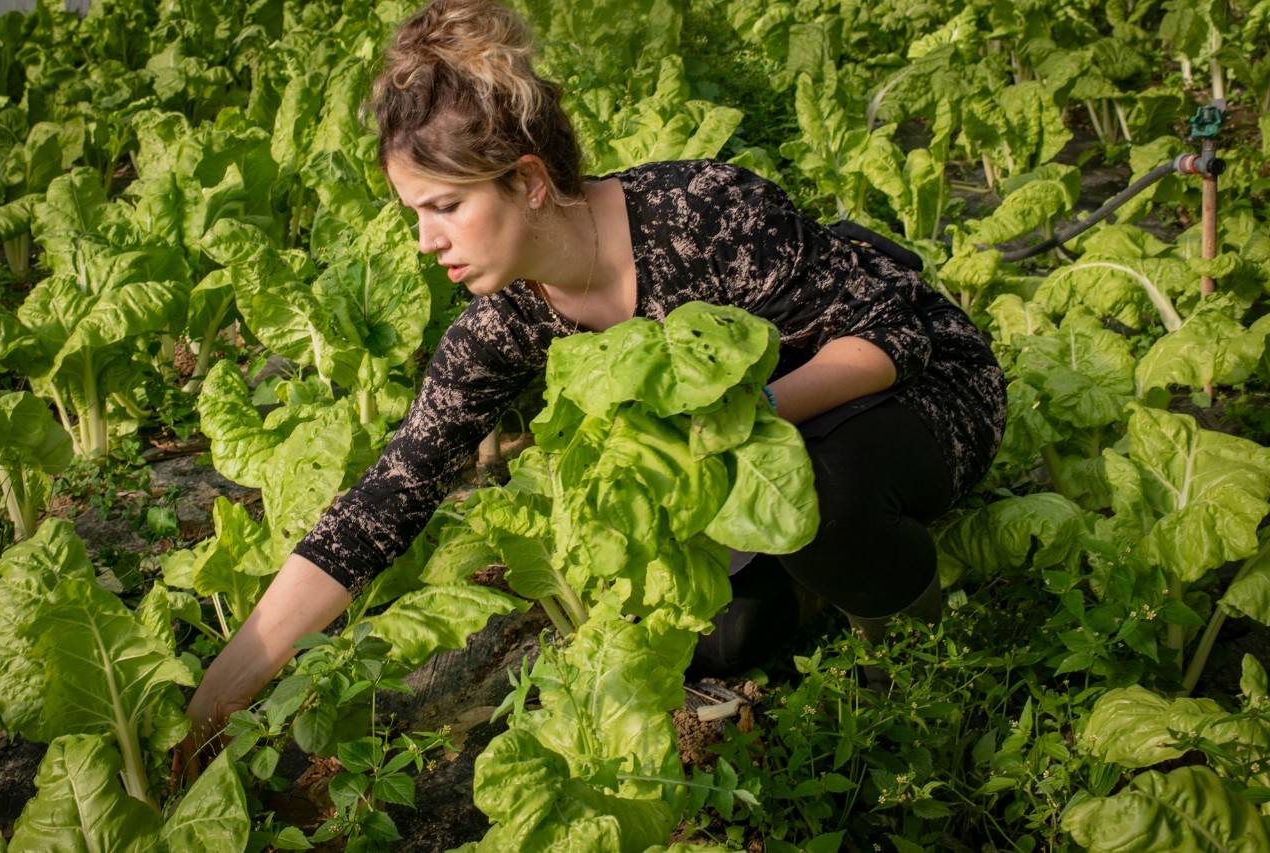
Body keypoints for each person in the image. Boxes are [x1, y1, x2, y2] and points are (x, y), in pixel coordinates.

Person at [178, 0, 1006, 774]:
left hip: (916, 394)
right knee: (719, 640)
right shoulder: (505, 324)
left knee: (826, 495)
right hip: (754, 467)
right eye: (414, 214)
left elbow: (892, 337)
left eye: (445, 207)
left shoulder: (701, 216)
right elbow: (390, 494)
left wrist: (742, 419)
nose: (427, 241)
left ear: (529, 182)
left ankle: (916, 663)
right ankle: (809, 577)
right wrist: (224, 687)